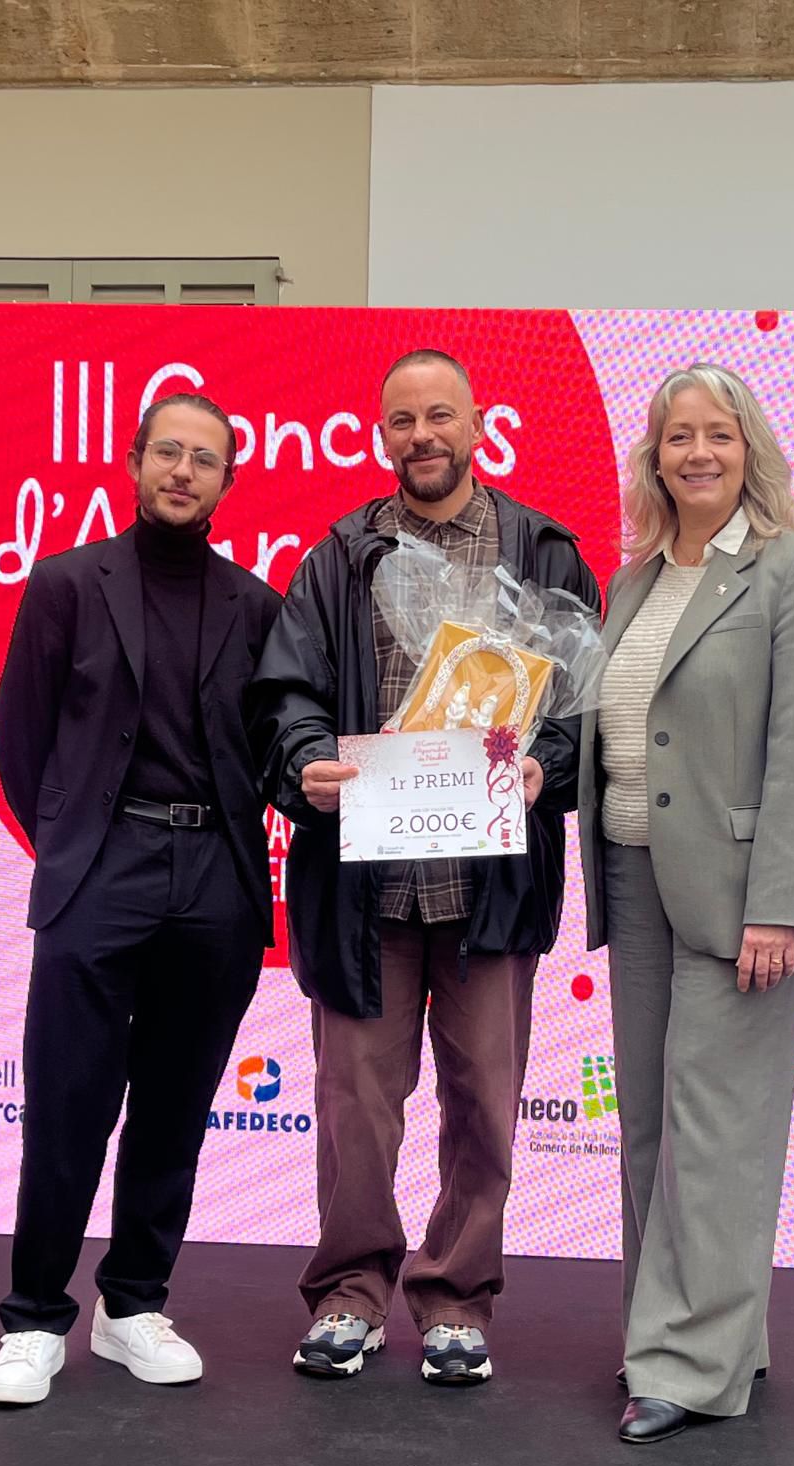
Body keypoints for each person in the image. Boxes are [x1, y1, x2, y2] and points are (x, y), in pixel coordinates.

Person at [251, 349, 600, 1384]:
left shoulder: (543, 552)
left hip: (490, 886)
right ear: (382, 435)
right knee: (356, 1106)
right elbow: (287, 693)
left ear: (479, 424)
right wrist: (304, 761)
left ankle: (455, 1297)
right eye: (402, 421)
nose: (422, 436)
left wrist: (544, 767)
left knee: (486, 1102)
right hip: (367, 890)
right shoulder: (339, 557)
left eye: (440, 415)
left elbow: (591, 711)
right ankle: (350, 1293)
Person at [0, 392, 281, 1405]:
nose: (183, 470)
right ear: (135, 460)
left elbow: (271, 748)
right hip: (100, 869)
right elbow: (20, 733)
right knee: (68, 1102)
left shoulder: (257, 608)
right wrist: (71, 842)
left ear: (228, 481)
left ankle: (133, 1305)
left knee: (174, 1106)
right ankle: (33, 1320)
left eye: (205, 458)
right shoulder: (66, 583)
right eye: (168, 452)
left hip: (217, 879)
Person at [578, 363, 794, 1443]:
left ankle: (691, 1365)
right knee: (652, 1127)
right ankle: (684, 1333)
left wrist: (781, 902)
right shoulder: (632, 584)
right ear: (653, 457)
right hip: (634, 878)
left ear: (750, 451)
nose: (697, 452)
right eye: (677, 436)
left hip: (741, 895)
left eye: (718, 434)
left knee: (718, 1130)